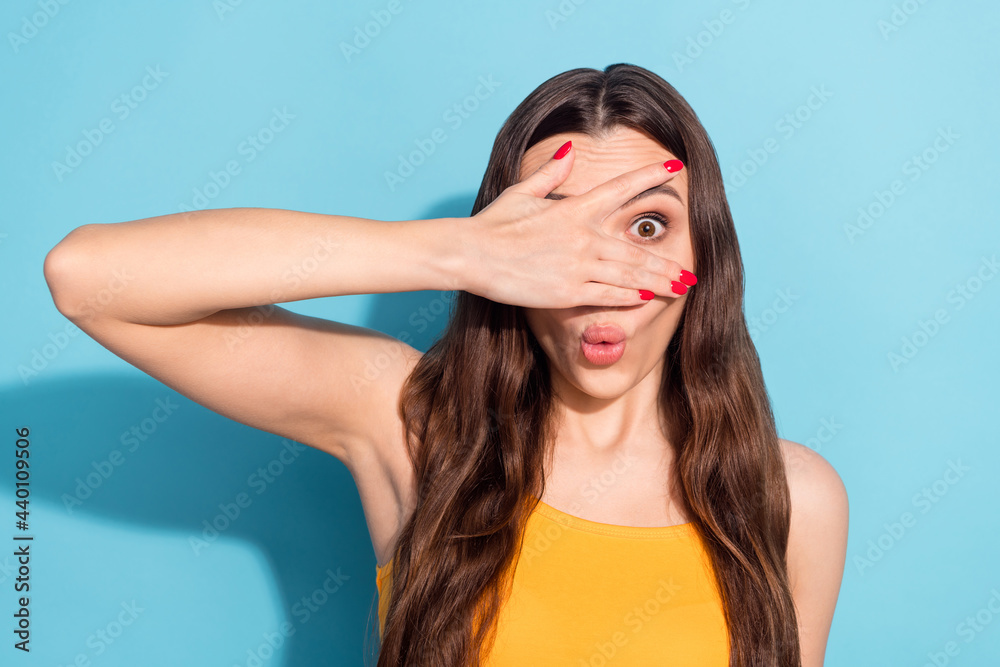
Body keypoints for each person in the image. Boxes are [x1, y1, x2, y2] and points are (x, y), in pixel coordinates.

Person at [43, 63, 848, 666]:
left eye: (646, 227)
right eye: (555, 230)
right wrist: (457, 253)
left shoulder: (792, 497)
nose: (600, 274)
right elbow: (89, 280)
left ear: (705, 250)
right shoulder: (416, 428)